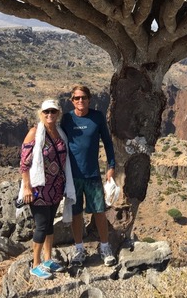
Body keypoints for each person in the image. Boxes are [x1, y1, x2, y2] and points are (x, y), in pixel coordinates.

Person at [18, 99, 76, 279]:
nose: (49, 115)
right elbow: (24, 163)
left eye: (53, 111)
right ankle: (35, 264)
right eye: (46, 112)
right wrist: (26, 187)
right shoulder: (34, 133)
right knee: (41, 226)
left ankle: (48, 258)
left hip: (56, 187)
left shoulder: (60, 133)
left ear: (58, 113)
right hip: (39, 188)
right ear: (41, 114)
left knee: (50, 224)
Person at [60, 85, 117, 266]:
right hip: (73, 176)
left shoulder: (97, 117)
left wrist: (111, 166)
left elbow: (108, 142)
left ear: (89, 99)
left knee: (99, 211)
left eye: (83, 97)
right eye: (76, 98)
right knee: (76, 213)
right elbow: (59, 143)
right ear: (72, 101)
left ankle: (105, 247)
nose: (80, 101)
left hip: (92, 175)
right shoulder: (67, 119)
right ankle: (79, 249)